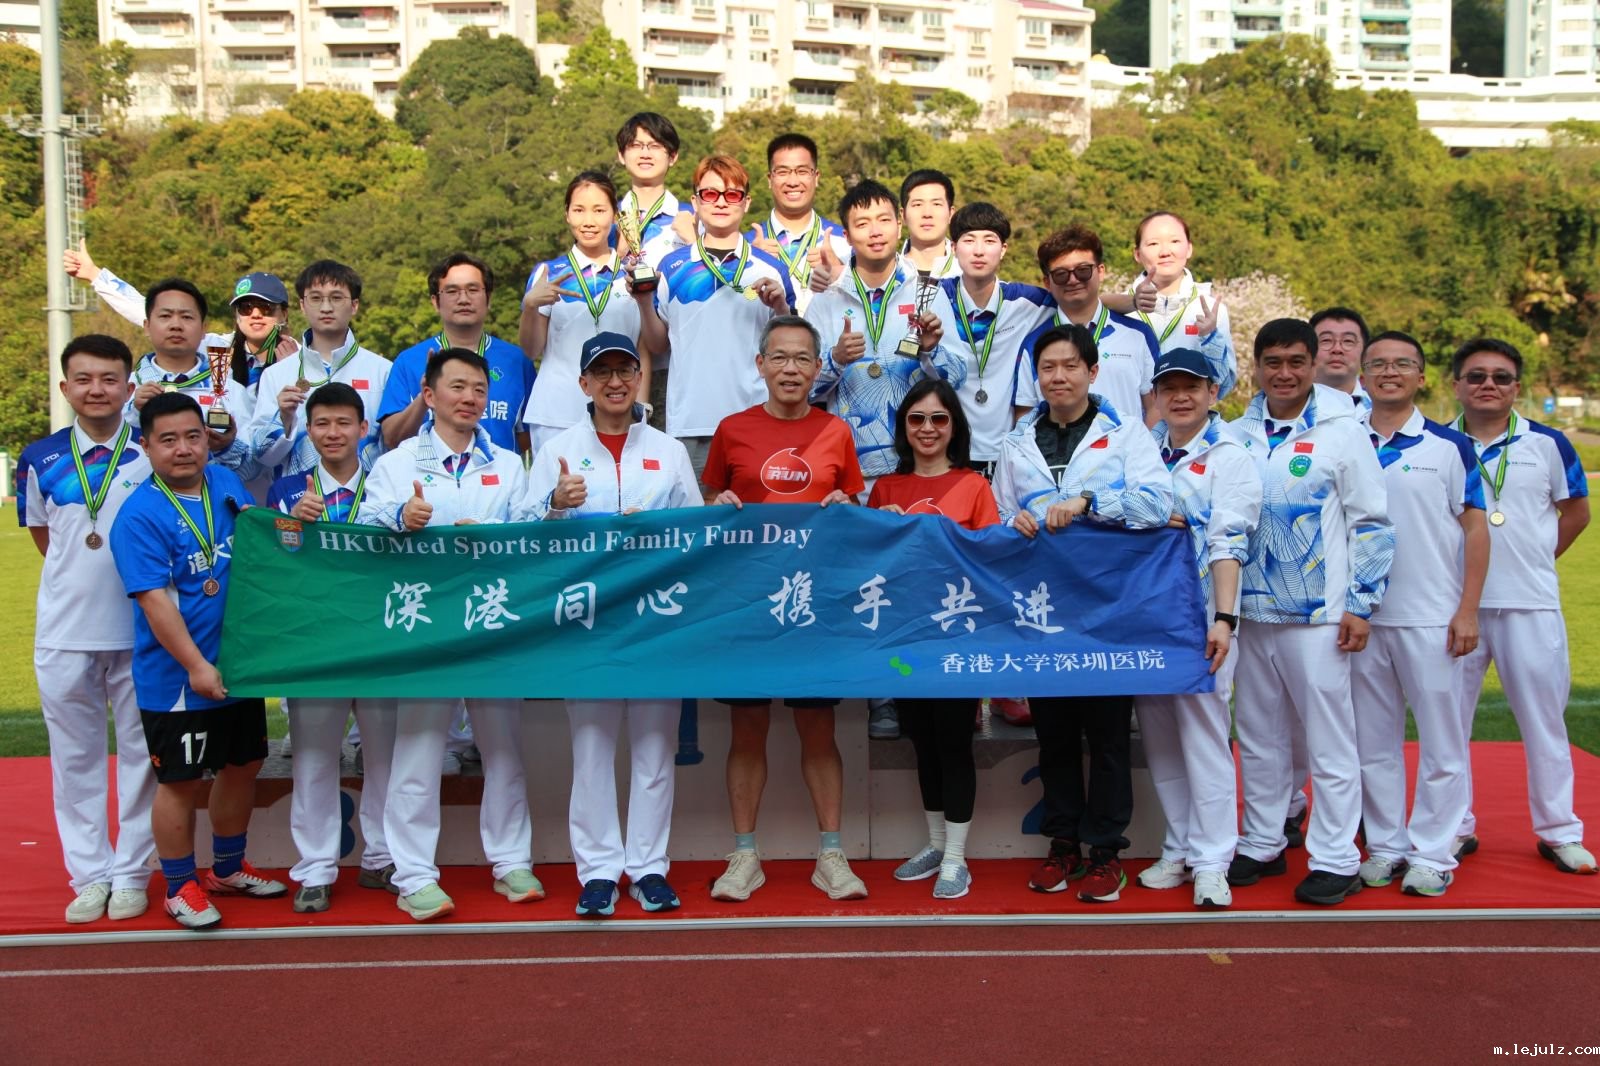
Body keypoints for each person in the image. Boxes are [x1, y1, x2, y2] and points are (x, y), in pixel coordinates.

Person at [357, 348, 541, 920]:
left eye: (479, 389)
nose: (469, 398)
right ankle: (413, 874)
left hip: (491, 619)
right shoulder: (396, 464)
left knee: (503, 749)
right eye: (457, 387)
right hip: (426, 625)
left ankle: (511, 862)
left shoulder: (508, 463)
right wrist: (400, 519)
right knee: (418, 751)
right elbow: (362, 527)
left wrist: (544, 512)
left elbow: (529, 532)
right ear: (429, 396)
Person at [992, 322, 1173, 904]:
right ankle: (1063, 843)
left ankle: (1105, 852)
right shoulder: (1016, 443)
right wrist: (1015, 521)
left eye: (1070, 365)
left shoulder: (1126, 434)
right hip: (1044, 612)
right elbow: (999, 514)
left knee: (1108, 736)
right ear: (1036, 377)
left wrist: (1090, 501)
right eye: (1048, 367)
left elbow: (1157, 503)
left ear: (1093, 372)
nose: (1059, 376)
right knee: (1056, 736)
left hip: (1107, 611)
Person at [525, 333, 701, 918]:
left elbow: (695, 533)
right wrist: (555, 503)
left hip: (654, 619)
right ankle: (599, 871)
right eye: (603, 372)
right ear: (584, 383)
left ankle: (649, 869)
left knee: (654, 752)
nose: (616, 382)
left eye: (626, 370)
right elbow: (524, 535)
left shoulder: (669, 450)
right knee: (592, 753)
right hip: (588, 622)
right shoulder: (557, 449)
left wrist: (653, 528)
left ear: (639, 379)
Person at [700, 315, 869, 903]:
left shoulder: (836, 431)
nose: (791, 369)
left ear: (818, 368)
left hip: (814, 602)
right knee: (747, 729)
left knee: (817, 728)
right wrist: (715, 502)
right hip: (747, 600)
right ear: (761, 365)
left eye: (802, 359)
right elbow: (710, 500)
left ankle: (832, 854)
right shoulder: (731, 430)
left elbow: (853, 507)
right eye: (780, 357)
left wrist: (847, 504)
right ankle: (744, 855)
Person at [1227, 319, 1394, 906]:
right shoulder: (1236, 434)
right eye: (1273, 362)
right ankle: (1262, 841)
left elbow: (1371, 523)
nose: (1285, 373)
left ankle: (1336, 858)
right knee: (1259, 738)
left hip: (1319, 616)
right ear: (1256, 367)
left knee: (1329, 742)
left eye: (1296, 361)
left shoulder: (1343, 432)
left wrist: (1362, 604)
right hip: (1250, 613)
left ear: (1313, 363)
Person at [109, 392, 287, 930]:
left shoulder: (225, 483)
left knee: (242, 765)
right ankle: (179, 885)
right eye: (168, 440)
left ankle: (227, 869)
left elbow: (253, 546)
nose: (183, 449)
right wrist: (195, 666)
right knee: (180, 780)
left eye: (192, 436)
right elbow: (154, 602)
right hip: (179, 679)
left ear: (207, 439)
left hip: (238, 663)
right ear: (146, 447)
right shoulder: (138, 516)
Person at [18, 335, 156, 924]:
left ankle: (131, 874)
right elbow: (46, 537)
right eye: (84, 379)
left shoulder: (151, 451)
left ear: (129, 387)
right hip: (65, 632)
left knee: (141, 760)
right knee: (74, 761)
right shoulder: (40, 458)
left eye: (109, 379)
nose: (97, 389)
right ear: (65, 387)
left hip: (141, 631)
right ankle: (90, 875)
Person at [1351, 332, 1489, 898]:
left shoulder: (1450, 447)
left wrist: (1467, 610)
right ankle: (1386, 846)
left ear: (1422, 376)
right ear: (1362, 376)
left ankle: (1433, 852)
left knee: (1443, 742)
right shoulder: (1344, 440)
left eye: (1402, 364)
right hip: (1361, 619)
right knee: (1372, 744)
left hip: (1432, 616)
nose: (1390, 372)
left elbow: (1475, 529)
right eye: (1378, 364)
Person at [1450, 338, 1593, 875]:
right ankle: (1454, 826)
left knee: (1544, 722)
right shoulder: (1437, 444)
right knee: (1448, 724)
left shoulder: (1548, 443)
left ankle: (1559, 831)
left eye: (1501, 377)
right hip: (1454, 607)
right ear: (1457, 385)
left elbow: (1576, 512)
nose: (1488, 384)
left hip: (1530, 604)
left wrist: (1537, 558)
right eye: (1477, 375)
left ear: (1516, 387)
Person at [1135, 348, 1262, 910]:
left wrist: (1224, 620)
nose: (1181, 397)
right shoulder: (1141, 451)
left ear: (1214, 393)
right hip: (1145, 620)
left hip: (1202, 620)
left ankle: (1213, 861)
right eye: (1170, 388)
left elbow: (1228, 540)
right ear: (1157, 397)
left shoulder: (1230, 456)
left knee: (1205, 738)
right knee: (1161, 741)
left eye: (1193, 387)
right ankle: (1179, 848)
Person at [264, 382, 399, 912]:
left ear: (364, 429)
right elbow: (273, 565)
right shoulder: (286, 491)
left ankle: (382, 857)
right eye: (322, 423)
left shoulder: (386, 485)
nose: (333, 433)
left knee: (384, 757)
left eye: (344, 423)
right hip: (315, 644)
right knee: (315, 757)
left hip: (377, 640)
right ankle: (316, 867)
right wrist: (291, 526)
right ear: (309, 430)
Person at [868, 378, 999, 900]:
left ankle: (957, 858)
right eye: (917, 419)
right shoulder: (885, 489)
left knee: (953, 743)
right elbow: (868, 564)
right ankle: (937, 845)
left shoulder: (974, 486)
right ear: (904, 427)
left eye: (938, 419)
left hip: (957, 643)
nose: (927, 428)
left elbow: (990, 560)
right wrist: (879, 526)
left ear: (954, 427)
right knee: (921, 741)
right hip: (904, 644)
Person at [639, 154, 794, 479]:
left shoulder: (771, 269)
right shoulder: (672, 266)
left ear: (746, 202)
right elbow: (656, 345)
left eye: (732, 194)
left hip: (755, 421)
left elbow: (790, 346)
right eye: (710, 194)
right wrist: (642, 301)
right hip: (689, 422)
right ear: (695, 201)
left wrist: (781, 308)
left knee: (752, 513)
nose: (721, 202)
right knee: (696, 512)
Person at [804, 178, 966, 488]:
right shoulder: (826, 300)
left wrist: (930, 351)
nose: (875, 231)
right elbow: (803, 390)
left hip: (918, 467)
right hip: (849, 472)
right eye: (862, 224)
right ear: (847, 236)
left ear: (899, 225)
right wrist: (836, 359)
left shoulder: (927, 292)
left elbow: (957, 379)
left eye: (883, 220)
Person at [64, 245, 300, 395]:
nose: (255, 314)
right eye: (246, 308)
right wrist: (95, 275)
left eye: (266, 308)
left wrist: (290, 369)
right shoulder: (216, 348)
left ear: (284, 313)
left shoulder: (302, 357)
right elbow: (147, 311)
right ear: (236, 314)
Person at [520, 171, 644, 455]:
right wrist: (530, 306)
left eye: (599, 210)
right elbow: (531, 349)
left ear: (615, 216)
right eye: (579, 210)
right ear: (567, 214)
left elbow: (644, 347)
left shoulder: (632, 274)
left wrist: (641, 406)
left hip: (619, 409)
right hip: (556, 413)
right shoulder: (549, 273)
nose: (589, 221)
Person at [925, 203, 1053, 471]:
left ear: (1003, 249)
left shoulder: (1025, 301)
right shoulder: (930, 298)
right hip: (945, 451)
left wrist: (1131, 302)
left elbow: (1078, 301)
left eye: (989, 240)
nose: (979, 250)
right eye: (969, 240)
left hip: (1004, 453)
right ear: (953, 247)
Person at [376, 252, 535, 454]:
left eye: (473, 289)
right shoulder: (409, 361)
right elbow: (392, 439)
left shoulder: (517, 361)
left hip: (496, 473)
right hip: (427, 473)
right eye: (452, 291)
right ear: (435, 302)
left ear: (489, 298)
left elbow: (529, 436)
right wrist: (425, 397)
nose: (463, 299)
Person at [1014, 224, 1167, 431]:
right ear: (1047, 282)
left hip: (1128, 451)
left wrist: (1144, 447)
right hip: (1060, 452)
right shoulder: (1033, 343)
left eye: (1083, 271)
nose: (1073, 280)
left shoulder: (1138, 334)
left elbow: (1156, 405)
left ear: (1101, 271)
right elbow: (1025, 413)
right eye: (1061, 274)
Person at [250, 259, 389, 483]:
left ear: (354, 305)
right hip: (299, 499)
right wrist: (284, 418)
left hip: (367, 499)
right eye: (316, 298)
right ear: (302, 305)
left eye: (336, 298)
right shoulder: (276, 374)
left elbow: (393, 446)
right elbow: (262, 457)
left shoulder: (383, 371)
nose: (326, 308)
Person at [124, 279, 262, 487]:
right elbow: (106, 451)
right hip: (141, 503)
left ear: (203, 329)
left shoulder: (228, 389)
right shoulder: (126, 387)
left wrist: (226, 447)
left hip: (209, 503)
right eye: (165, 316)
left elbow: (255, 470)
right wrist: (134, 413)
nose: (176, 325)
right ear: (147, 326)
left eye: (187, 317)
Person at [1108, 211, 1238, 395]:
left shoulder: (1211, 310)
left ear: (1189, 248)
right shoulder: (1115, 310)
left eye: (1175, 241)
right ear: (1137, 254)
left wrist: (1211, 340)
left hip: (1186, 412)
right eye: (1153, 243)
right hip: (1132, 414)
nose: (1165, 252)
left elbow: (1223, 386)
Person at [748, 132, 852, 313]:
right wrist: (750, 270)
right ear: (770, 179)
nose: (793, 181)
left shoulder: (846, 243)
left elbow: (869, 302)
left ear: (816, 177)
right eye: (782, 172)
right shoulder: (747, 247)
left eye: (802, 171)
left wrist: (840, 273)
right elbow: (737, 304)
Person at [613, 111, 696, 267]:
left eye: (655, 146)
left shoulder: (694, 218)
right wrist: (617, 255)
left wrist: (695, 243)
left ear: (672, 156)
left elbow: (720, 278)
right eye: (636, 145)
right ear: (621, 156)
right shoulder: (607, 218)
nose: (645, 154)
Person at [898, 169, 961, 279]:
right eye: (918, 204)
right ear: (903, 215)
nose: (927, 214)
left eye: (936, 204)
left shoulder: (967, 274)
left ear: (951, 214)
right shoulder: (886, 273)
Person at [1311, 307, 1371, 409]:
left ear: (1365, 351)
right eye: (1326, 340)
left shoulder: (1382, 408)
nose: (1337, 349)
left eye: (1348, 341)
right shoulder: (1286, 407)